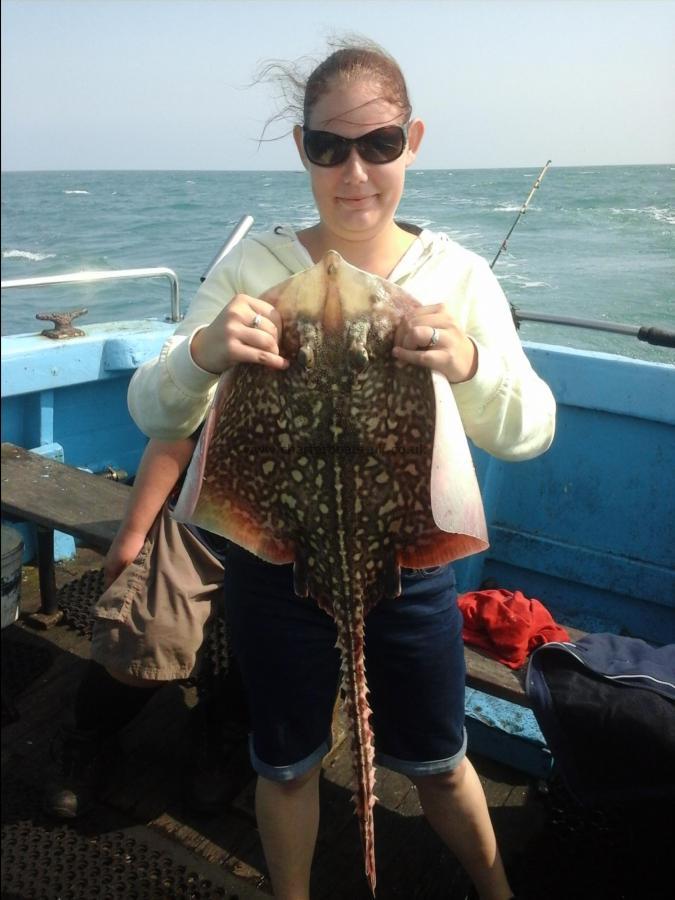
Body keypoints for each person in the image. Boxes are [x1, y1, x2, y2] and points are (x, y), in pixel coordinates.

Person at [126, 39, 556, 900]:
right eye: (328, 148)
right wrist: (204, 351)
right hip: (274, 560)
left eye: (378, 144)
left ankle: (496, 890)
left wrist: (468, 359)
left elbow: (529, 430)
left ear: (412, 139)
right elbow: (155, 413)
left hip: (407, 562)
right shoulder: (255, 268)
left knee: (436, 759)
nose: (353, 170)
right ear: (302, 149)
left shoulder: (455, 277)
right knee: (284, 763)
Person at [45, 436, 244, 818]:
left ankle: (227, 730)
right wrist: (133, 532)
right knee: (149, 633)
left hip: (307, 543)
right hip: (205, 523)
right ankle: (86, 736)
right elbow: (180, 424)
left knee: (291, 651)